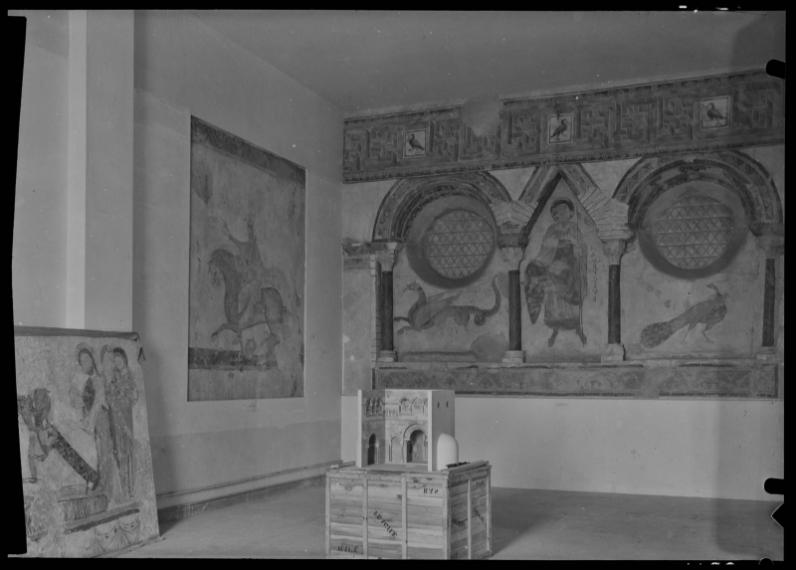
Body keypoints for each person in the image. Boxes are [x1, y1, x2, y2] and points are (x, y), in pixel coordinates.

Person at [524, 198, 588, 347]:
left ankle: (577, 328)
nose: (560, 213)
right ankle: (555, 329)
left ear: (570, 212)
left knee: (568, 293)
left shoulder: (574, 228)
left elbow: (581, 248)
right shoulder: (551, 229)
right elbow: (545, 248)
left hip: (570, 268)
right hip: (553, 265)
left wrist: (570, 243)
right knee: (550, 291)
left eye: (563, 209)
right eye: (557, 211)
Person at [76, 346, 116, 498]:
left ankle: (106, 488)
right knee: (97, 454)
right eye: (82, 361)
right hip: (92, 422)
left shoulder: (99, 378)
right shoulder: (85, 380)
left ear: (92, 360)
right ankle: (99, 485)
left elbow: (100, 401)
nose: (85, 362)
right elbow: (84, 403)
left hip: (101, 420)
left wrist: (90, 420)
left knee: (105, 452)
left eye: (87, 359)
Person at [104, 346, 138, 500]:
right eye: (115, 361)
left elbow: (133, 397)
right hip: (116, 418)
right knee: (119, 452)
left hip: (127, 418)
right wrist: (113, 398)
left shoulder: (131, 377)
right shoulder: (114, 378)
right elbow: (109, 396)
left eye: (119, 359)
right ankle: (123, 489)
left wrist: (121, 397)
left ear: (125, 360)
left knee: (129, 452)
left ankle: (131, 489)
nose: (117, 363)